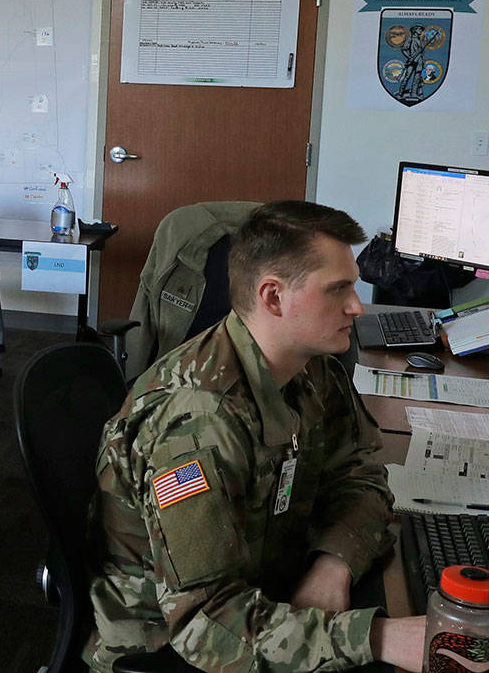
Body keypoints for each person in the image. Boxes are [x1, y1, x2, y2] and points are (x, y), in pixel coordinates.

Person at [87, 200, 425, 672]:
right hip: (170, 644)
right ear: (272, 297)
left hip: (267, 586)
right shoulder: (198, 422)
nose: (356, 306)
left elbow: (359, 472)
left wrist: (335, 563)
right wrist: (378, 638)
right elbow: (206, 625)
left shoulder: (314, 367)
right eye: (338, 289)